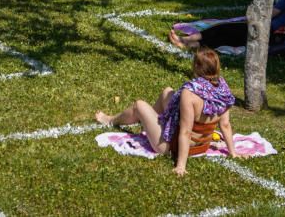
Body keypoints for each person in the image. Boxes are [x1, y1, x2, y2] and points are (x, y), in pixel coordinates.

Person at [95, 48, 237, 175]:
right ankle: (148, 123)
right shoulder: (223, 90)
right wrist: (233, 153)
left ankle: (111, 120)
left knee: (139, 105)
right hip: (202, 146)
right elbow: (225, 125)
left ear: (196, 67)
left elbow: (186, 132)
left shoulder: (190, 93)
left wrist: (181, 166)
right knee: (167, 92)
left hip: (170, 146)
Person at [169, 0, 285, 50]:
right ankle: (186, 41)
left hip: (264, 31)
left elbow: (266, 16)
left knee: (222, 30)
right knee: (225, 36)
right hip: (267, 34)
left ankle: (186, 42)